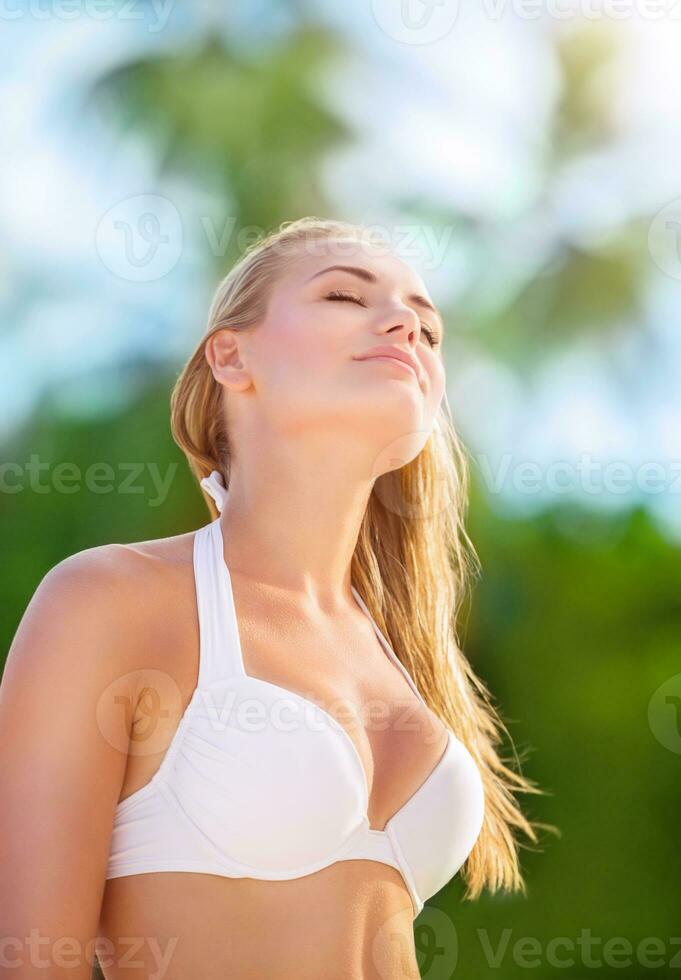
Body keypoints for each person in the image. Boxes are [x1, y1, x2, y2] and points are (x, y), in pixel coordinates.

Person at [0, 217, 540, 979]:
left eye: (427, 325)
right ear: (231, 355)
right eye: (345, 295)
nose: (404, 327)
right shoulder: (110, 602)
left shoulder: (405, 656)